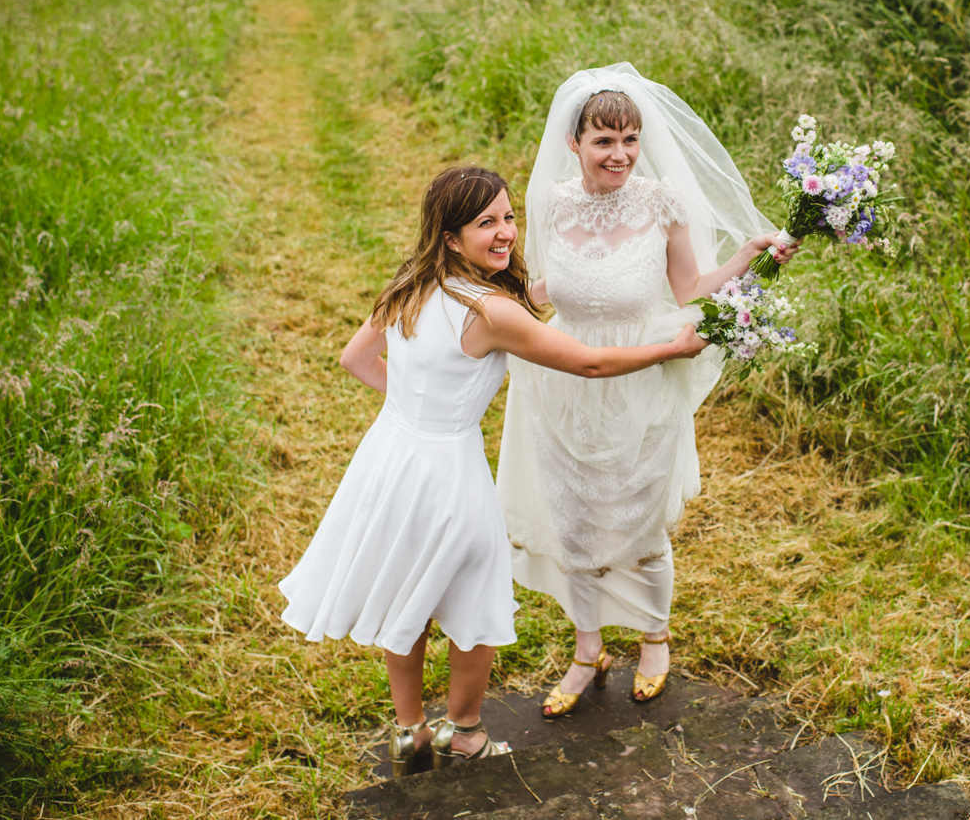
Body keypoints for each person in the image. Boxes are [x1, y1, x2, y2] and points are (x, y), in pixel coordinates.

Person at [277, 165, 708, 776]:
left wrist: (416, 414)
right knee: (474, 603)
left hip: (390, 456)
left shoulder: (411, 283)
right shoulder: (491, 311)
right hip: (448, 470)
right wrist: (672, 348)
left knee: (409, 592)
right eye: (487, 223)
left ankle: (408, 732)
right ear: (451, 237)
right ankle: (468, 733)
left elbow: (356, 358)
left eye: (509, 216)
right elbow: (588, 364)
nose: (506, 232)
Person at [496, 63, 798, 719]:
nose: (620, 154)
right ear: (573, 143)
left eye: (630, 139)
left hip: (643, 379)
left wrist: (748, 255)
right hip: (566, 378)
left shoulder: (661, 202)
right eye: (604, 140)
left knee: (640, 521)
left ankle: (655, 639)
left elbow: (690, 289)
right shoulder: (551, 202)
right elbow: (546, 287)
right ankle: (587, 651)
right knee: (573, 519)